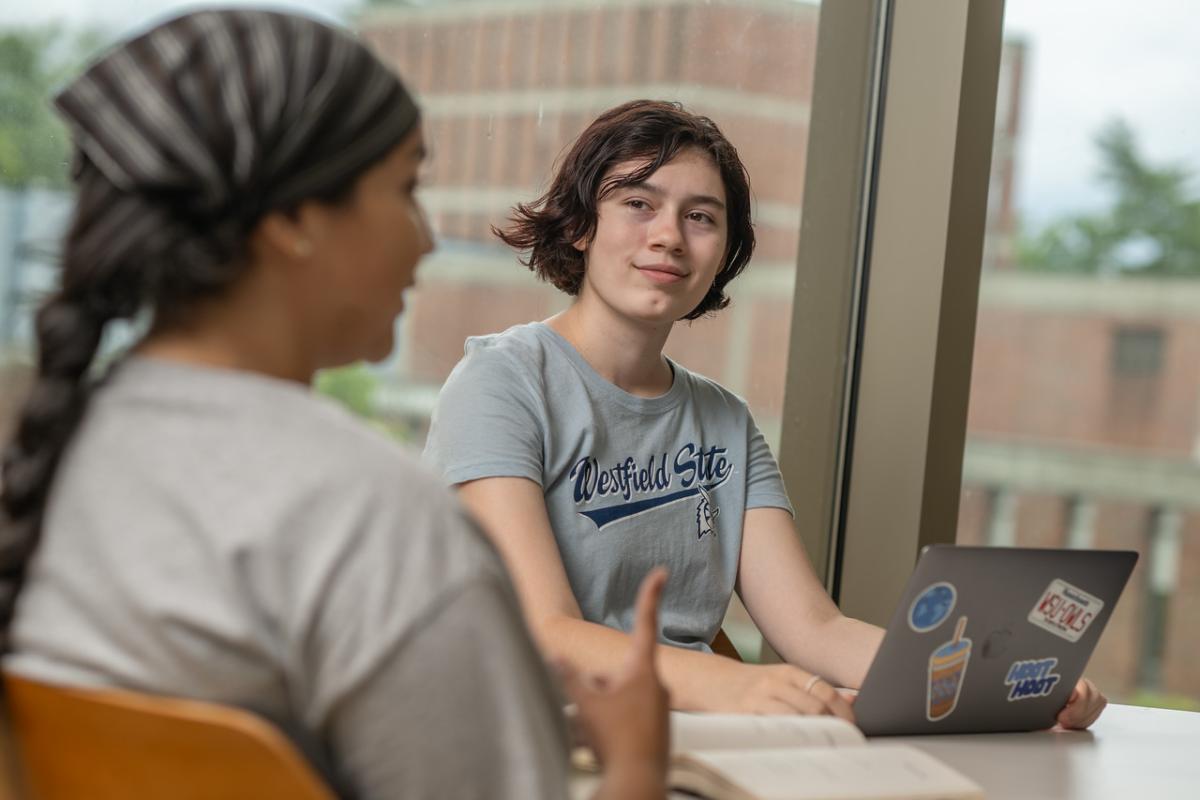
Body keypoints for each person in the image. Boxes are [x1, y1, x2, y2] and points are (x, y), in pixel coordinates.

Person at [0, 10, 669, 799]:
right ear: (290, 221)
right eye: (404, 188)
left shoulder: (53, 457)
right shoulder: (377, 525)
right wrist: (633, 766)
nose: (425, 238)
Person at [423, 99, 1107, 730]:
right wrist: (731, 687)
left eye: (701, 216)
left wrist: (1007, 686)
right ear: (578, 227)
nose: (669, 236)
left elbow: (814, 628)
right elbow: (544, 631)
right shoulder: (502, 383)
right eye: (638, 203)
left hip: (693, 732)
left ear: (723, 251)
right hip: (536, 734)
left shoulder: (722, 418)